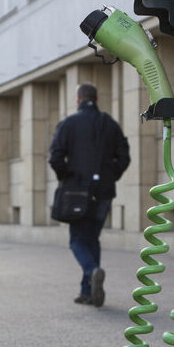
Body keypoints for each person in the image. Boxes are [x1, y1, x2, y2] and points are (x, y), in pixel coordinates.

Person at [49, 83, 130, 307]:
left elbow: (55, 157)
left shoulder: (68, 124)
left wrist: (66, 176)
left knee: (77, 240)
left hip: (76, 191)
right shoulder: (110, 125)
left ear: (78, 100)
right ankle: (88, 291)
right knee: (92, 238)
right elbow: (124, 157)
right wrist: (110, 176)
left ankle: (92, 271)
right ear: (96, 99)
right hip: (103, 192)